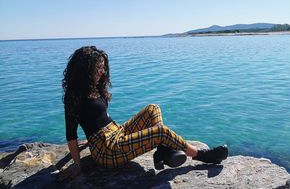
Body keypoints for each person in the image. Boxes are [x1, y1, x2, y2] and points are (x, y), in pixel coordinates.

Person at [59, 46, 228, 180]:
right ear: (85, 70)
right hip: (106, 150)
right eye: (98, 68)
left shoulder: (94, 87)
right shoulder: (73, 96)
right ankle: (203, 155)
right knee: (160, 132)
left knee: (152, 108)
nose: (102, 72)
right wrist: (77, 164)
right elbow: (71, 133)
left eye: (103, 68)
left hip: (116, 133)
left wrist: (88, 140)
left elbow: (94, 119)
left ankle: (163, 150)